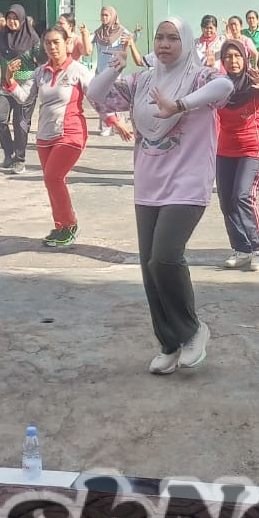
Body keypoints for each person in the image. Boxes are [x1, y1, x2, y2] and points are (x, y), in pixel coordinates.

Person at [87, 18, 234, 375]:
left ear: (185, 41)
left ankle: (193, 330)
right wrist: (113, 68)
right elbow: (95, 95)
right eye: (159, 37)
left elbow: (226, 86)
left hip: (187, 182)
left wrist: (179, 105)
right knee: (149, 270)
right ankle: (169, 343)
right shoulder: (142, 80)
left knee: (164, 257)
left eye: (172, 38)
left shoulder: (200, 77)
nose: (165, 44)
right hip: (149, 184)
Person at [214, 39, 259, 272]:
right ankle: (241, 248)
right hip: (225, 149)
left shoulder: (255, 81)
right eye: (228, 57)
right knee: (226, 199)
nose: (233, 61)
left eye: (237, 56)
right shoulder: (218, 85)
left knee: (243, 195)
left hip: (253, 148)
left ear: (244, 58)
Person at [33, 26, 93, 248]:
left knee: (53, 177)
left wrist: (113, 120)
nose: (51, 47)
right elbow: (23, 96)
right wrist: (9, 78)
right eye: (47, 43)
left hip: (71, 133)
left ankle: (69, 225)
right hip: (45, 135)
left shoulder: (78, 70)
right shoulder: (41, 72)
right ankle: (60, 227)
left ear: (68, 44)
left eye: (56, 42)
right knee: (53, 182)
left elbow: (96, 96)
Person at [0, 4, 39, 174]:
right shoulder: (1, 38)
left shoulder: (33, 39)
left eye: (16, 19)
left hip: (26, 86)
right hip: (5, 85)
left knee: (21, 123)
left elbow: (43, 59)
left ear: (22, 19)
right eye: (9, 18)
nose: (12, 22)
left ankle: (20, 159)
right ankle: (9, 151)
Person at [90, 7, 143, 138]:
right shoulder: (99, 33)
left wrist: (136, 34)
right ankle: (107, 125)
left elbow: (131, 39)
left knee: (113, 98)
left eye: (106, 15)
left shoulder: (121, 31)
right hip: (101, 70)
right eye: (102, 15)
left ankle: (117, 123)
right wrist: (85, 34)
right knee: (101, 99)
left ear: (113, 16)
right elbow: (88, 43)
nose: (104, 18)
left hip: (114, 69)